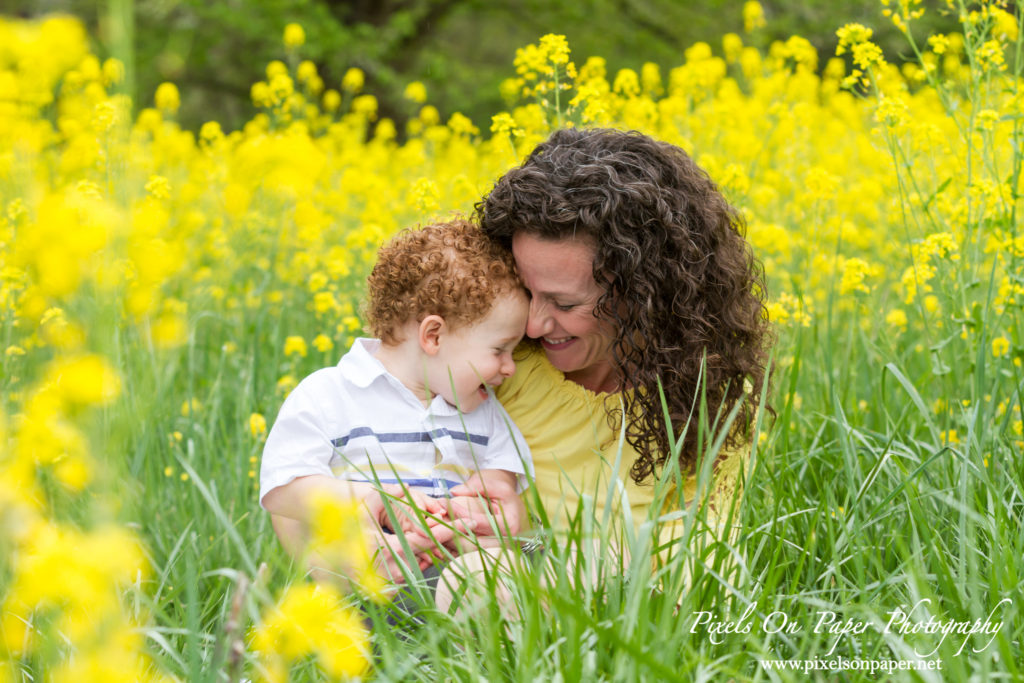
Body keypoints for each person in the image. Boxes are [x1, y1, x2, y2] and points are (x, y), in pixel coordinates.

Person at [435, 127, 772, 610]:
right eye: (526, 293)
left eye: (564, 302)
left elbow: (702, 556)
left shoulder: (703, 384)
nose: (532, 325)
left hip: (632, 607)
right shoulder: (495, 365)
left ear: (643, 293)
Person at [260, 218, 534, 589]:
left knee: (502, 562)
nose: (510, 368)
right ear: (433, 335)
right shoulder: (328, 395)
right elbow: (282, 488)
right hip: (359, 583)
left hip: (452, 580)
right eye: (500, 349)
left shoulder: (484, 412)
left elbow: (500, 486)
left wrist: (481, 510)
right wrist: (375, 499)